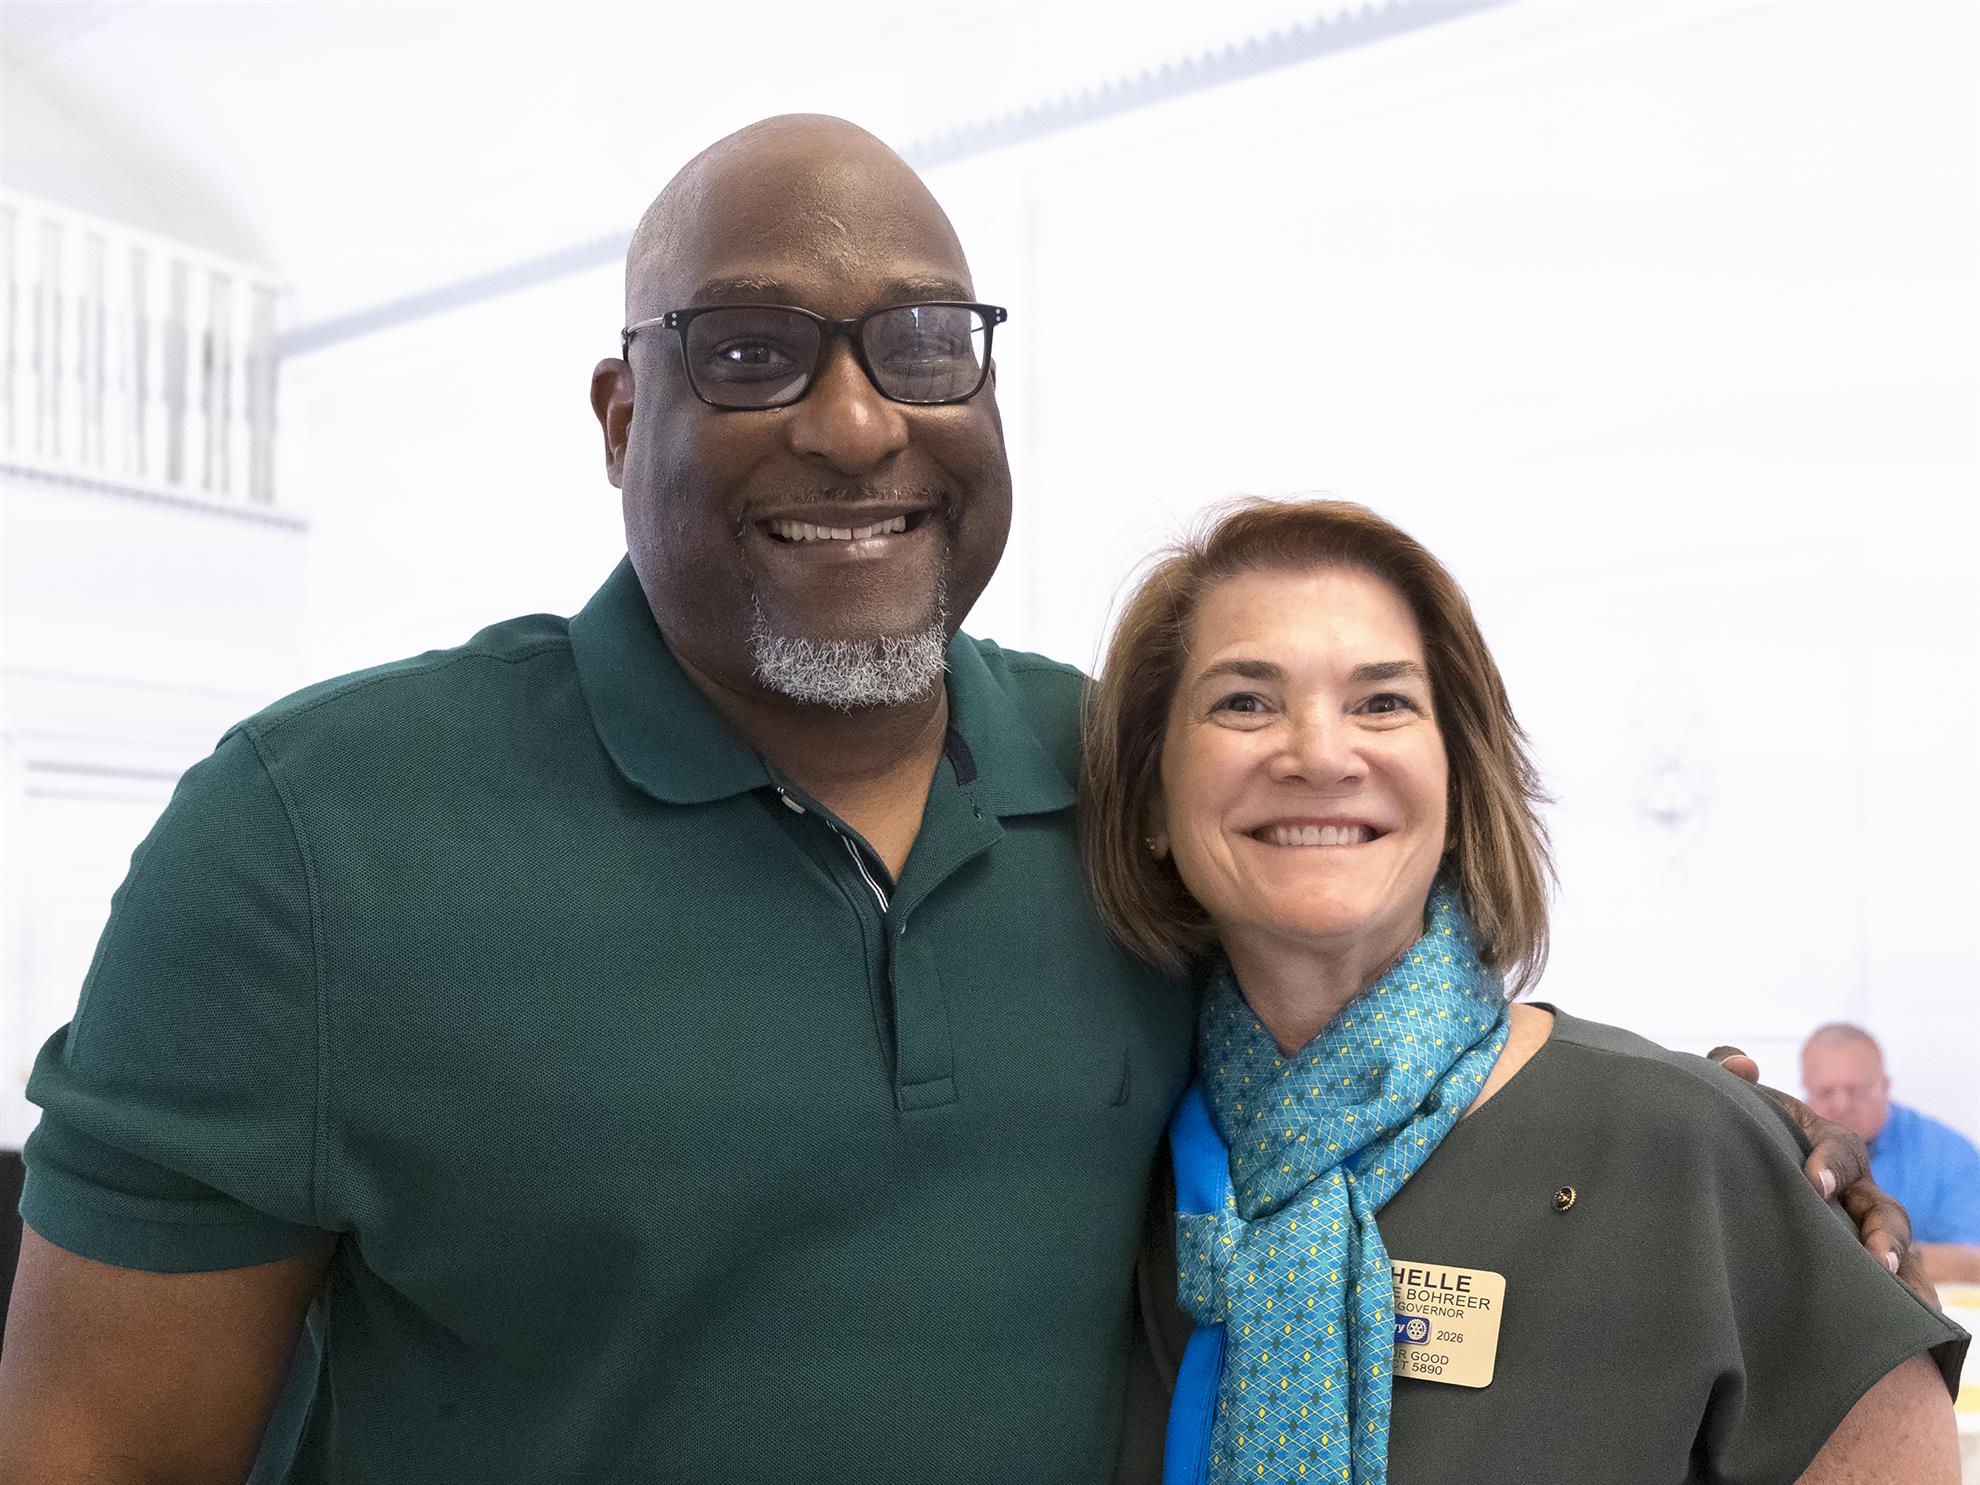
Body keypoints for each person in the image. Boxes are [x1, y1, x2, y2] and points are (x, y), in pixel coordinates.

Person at [0, 117, 1925, 1483]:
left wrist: (1750, 1161)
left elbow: (1373, 1038)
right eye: (750, 350)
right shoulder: (315, 842)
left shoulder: (1124, 795)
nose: (857, 421)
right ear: (620, 414)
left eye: (925, 342)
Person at [1079, 499, 1966, 1483]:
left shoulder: (1696, 1148)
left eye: (1383, 702)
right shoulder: (1105, 1176)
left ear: (1459, 786)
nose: (1321, 754)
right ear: (1152, 798)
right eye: (1245, 702)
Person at [1803, 1022, 1980, 1286]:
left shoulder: (1950, 1155)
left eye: (1855, 1091)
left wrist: (1876, 1255)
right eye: (1826, 1092)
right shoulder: (1785, 1147)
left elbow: (1972, 1261)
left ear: (1885, 1086)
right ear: (1805, 1089)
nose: (1841, 1105)